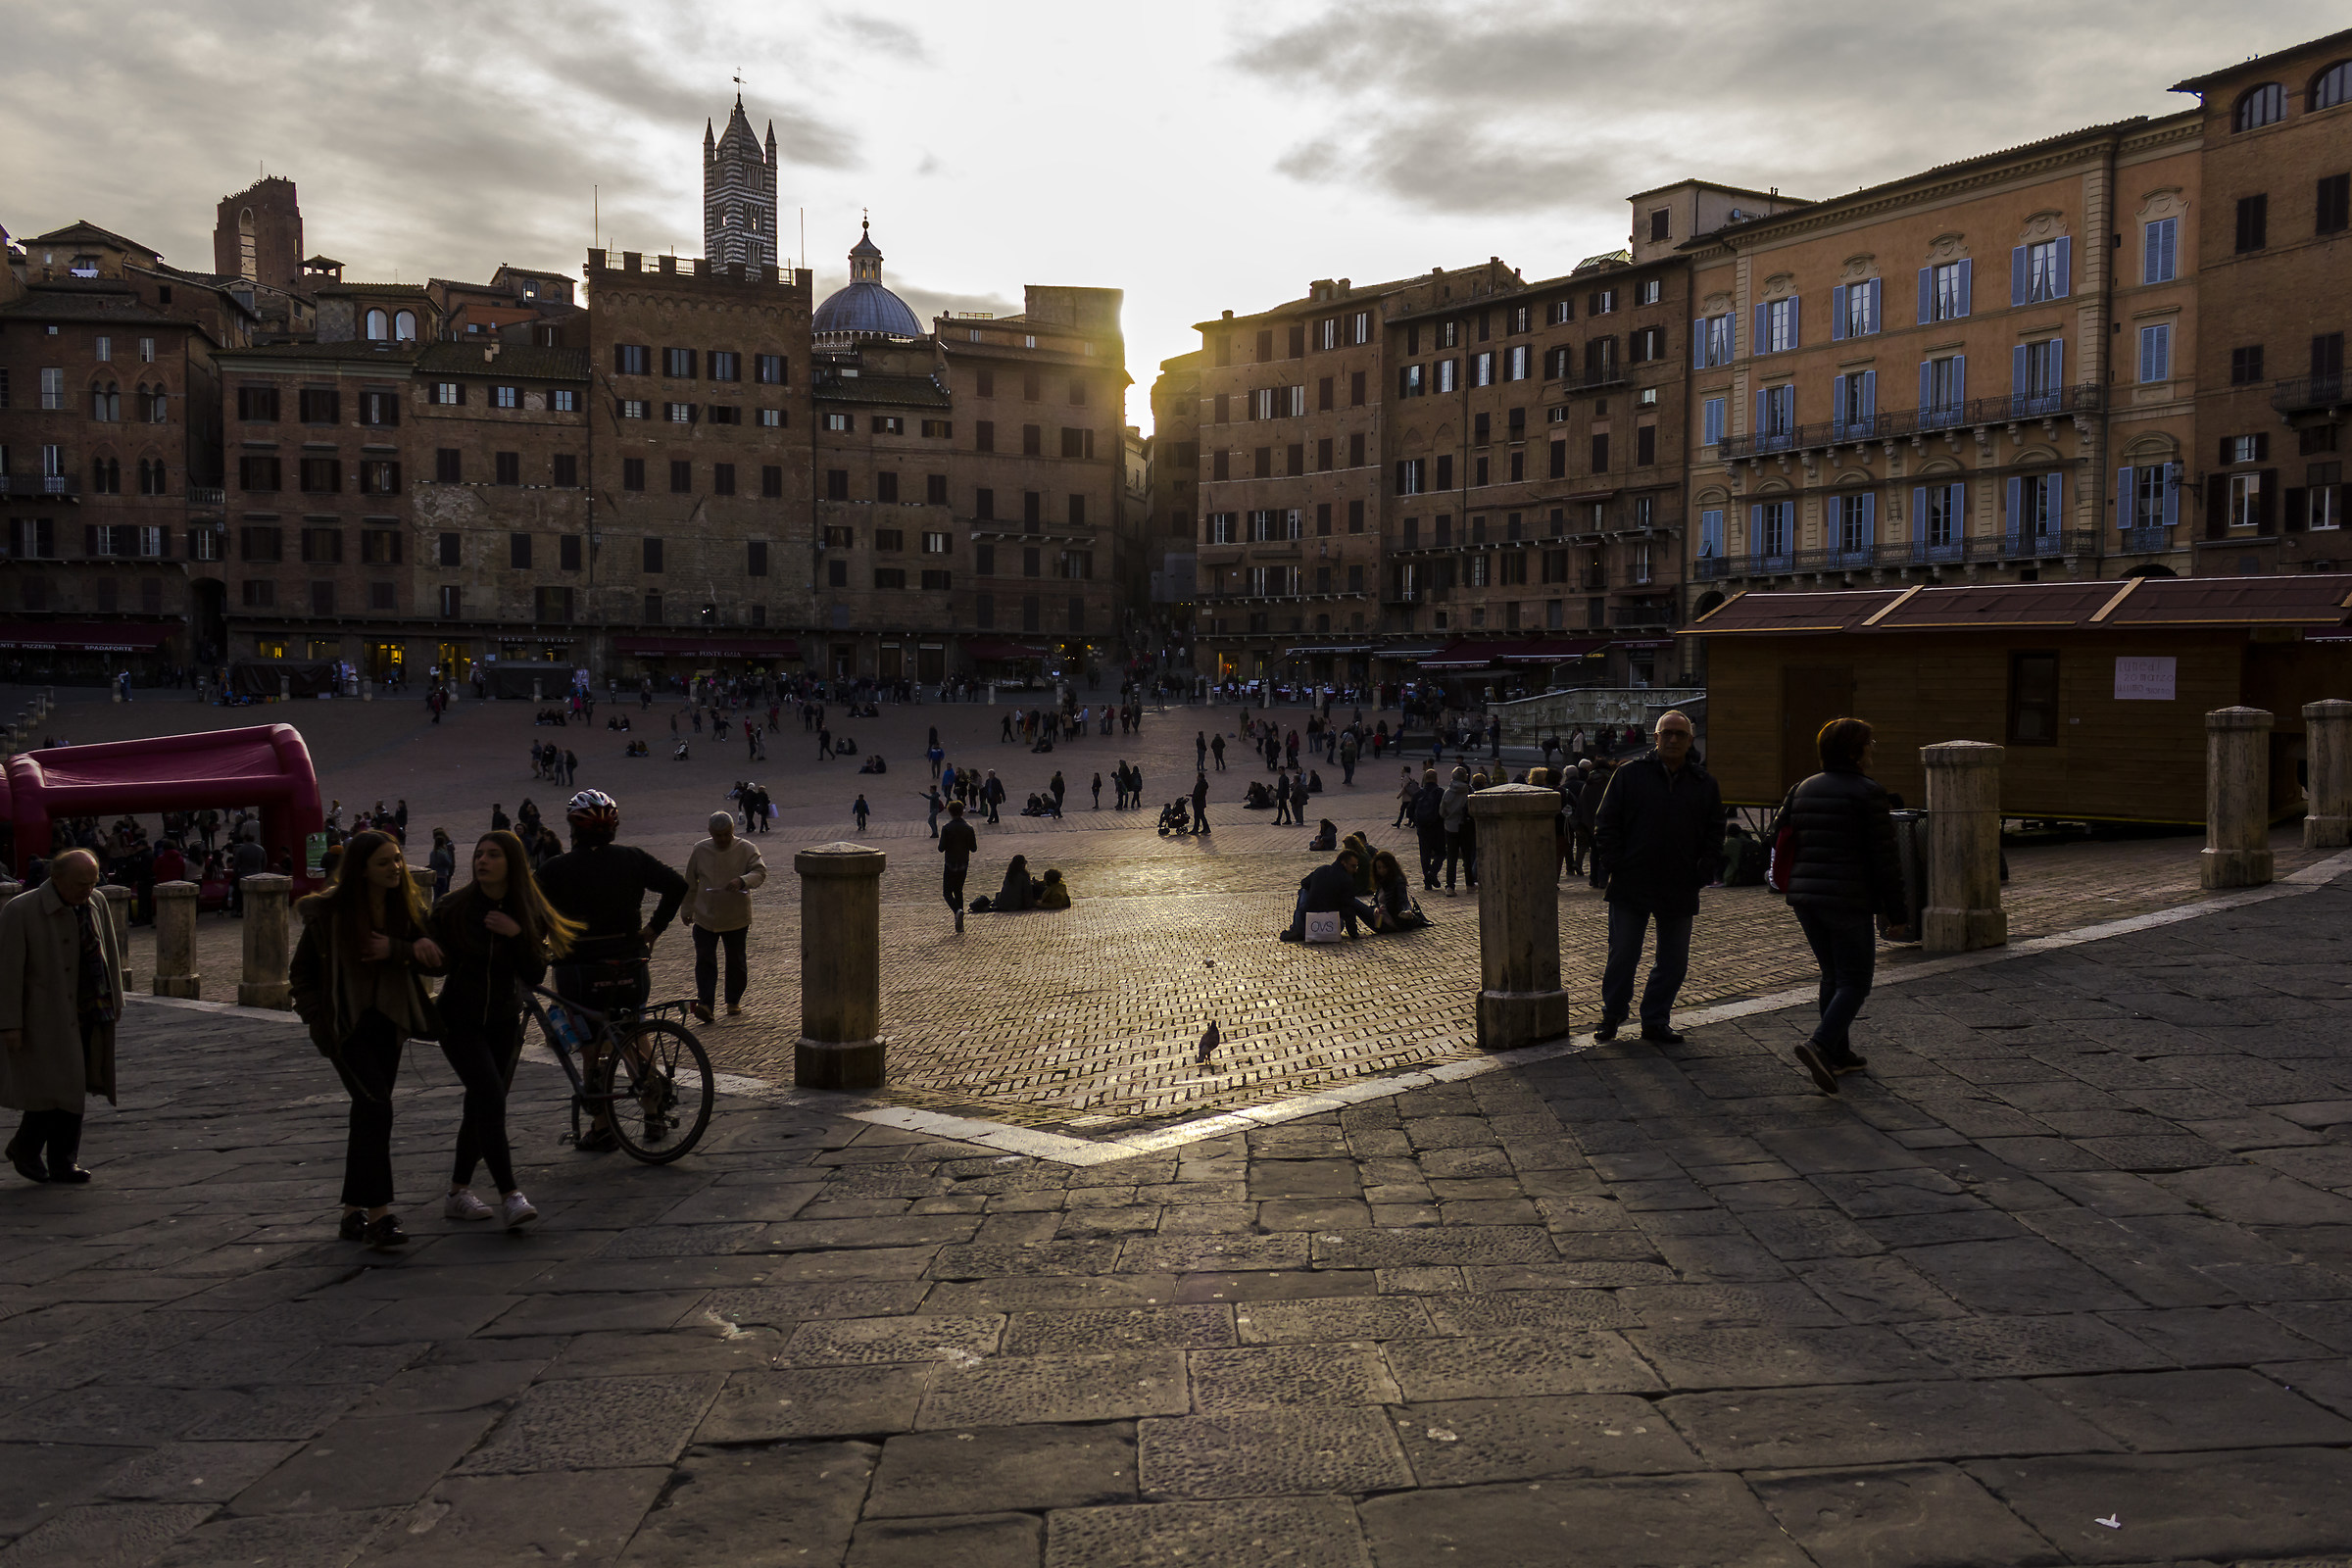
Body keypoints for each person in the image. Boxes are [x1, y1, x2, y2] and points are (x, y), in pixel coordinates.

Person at [288, 831, 447, 1249]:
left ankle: (350, 1213)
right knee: (377, 1107)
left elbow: (437, 961)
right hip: (345, 1027)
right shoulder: (329, 913)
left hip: (389, 1023)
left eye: (397, 859)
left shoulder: (407, 910)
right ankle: (380, 1215)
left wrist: (400, 949)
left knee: (368, 1112)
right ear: (361, 869)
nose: (395, 867)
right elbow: (301, 974)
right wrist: (316, 1019)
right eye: (384, 862)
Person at [429, 830, 579, 1231]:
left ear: (511, 862)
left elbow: (533, 972)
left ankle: (458, 1192)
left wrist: (517, 935)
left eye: (494, 855)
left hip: (502, 1021)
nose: (483, 861)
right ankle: (510, 1194)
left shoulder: (526, 910)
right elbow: (437, 964)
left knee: (480, 1106)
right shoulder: (454, 907)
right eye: (479, 854)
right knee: (491, 1098)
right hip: (458, 1019)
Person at [536, 791, 688, 1151]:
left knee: (593, 1045)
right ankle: (653, 1115)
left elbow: (533, 912)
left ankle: (602, 1127)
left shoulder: (555, 868)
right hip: (630, 962)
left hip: (580, 970)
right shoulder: (632, 859)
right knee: (634, 1032)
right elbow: (677, 885)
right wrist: (653, 929)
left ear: (573, 829)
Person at [1781, 717, 1909, 1095]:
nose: (1874, 748)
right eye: (1870, 743)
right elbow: (1885, 859)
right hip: (1847, 898)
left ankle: (1840, 1053)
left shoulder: (1802, 787)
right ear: (1855, 751)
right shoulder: (1868, 792)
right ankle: (1820, 1045)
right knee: (1855, 981)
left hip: (1806, 897)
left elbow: (1780, 836)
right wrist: (1897, 914)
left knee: (1833, 976)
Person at [1591, 710, 1724, 1045]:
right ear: (1656, 737)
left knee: (1674, 959)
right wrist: (1615, 863)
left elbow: (1714, 830)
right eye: (1668, 733)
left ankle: (1655, 1018)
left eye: (1681, 734)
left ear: (1691, 740)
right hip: (1631, 880)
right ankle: (1613, 1013)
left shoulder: (1703, 783)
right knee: (1623, 953)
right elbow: (1606, 822)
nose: (1674, 739)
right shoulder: (1629, 775)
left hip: (1680, 881)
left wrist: (1703, 868)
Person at [0, 851, 124, 1184]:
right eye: (80, 884)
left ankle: (61, 1160)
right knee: (52, 1087)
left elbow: (108, 950)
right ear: (56, 879)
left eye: (92, 882)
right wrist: (9, 1022)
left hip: (90, 1008)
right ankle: (29, 1148)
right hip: (43, 1014)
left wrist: (116, 1000)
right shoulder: (21, 911)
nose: (86, 889)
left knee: (74, 1084)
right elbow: (8, 972)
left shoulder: (96, 902)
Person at [683, 810, 765, 1024]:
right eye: (717, 835)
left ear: (732, 831)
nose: (722, 840)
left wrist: (742, 880)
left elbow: (759, 871)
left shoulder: (746, 848)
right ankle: (706, 1005)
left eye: (726, 835)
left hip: (735, 916)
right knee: (705, 960)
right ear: (710, 832)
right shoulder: (700, 849)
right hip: (705, 916)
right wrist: (686, 909)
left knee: (736, 960)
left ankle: (733, 1000)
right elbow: (690, 882)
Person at [1278, 847, 1375, 942]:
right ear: (1343, 863)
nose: (1355, 870)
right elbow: (1348, 908)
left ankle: (1295, 929)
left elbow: (1304, 883)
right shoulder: (1347, 880)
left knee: (1304, 890)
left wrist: (1317, 886)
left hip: (1308, 924)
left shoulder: (1322, 870)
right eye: (1353, 866)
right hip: (1330, 925)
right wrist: (1354, 934)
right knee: (1349, 902)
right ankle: (1298, 929)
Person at [938, 800, 977, 931]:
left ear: (950, 812)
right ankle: (960, 922)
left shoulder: (946, 828)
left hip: (950, 863)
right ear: (962, 812)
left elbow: (941, 848)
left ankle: (957, 911)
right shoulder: (969, 828)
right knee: (958, 890)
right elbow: (974, 848)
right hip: (963, 863)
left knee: (947, 892)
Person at [1440, 766, 1475, 895]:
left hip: (1450, 827)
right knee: (1467, 857)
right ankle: (1470, 884)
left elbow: (1442, 812)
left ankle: (1450, 886)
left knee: (1452, 857)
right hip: (1465, 826)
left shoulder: (1448, 792)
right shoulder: (1469, 791)